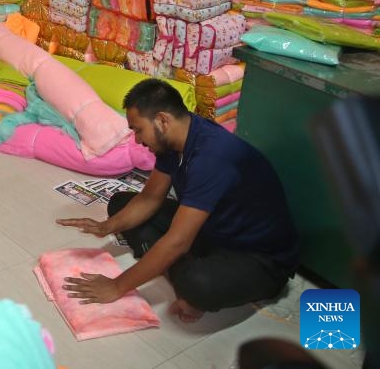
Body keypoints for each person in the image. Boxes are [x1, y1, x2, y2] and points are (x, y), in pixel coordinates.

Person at [57, 78, 300, 323]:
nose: (138, 140)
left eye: (139, 130)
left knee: (197, 283)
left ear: (162, 120)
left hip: (258, 257)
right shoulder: (174, 142)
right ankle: (174, 268)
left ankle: (180, 274)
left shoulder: (212, 157)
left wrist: (117, 286)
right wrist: (106, 227)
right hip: (210, 229)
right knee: (120, 204)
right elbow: (150, 198)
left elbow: (178, 242)